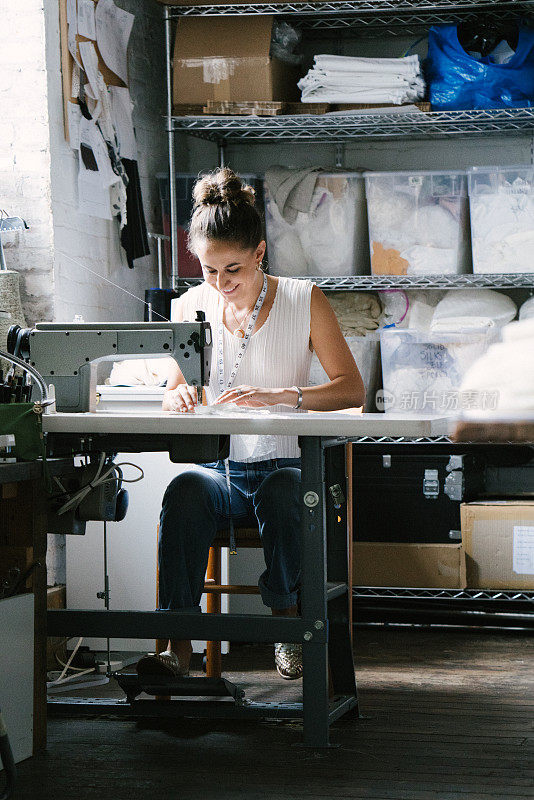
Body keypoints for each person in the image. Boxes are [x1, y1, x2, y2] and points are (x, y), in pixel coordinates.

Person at [137, 168, 365, 681]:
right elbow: (173, 381)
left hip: (289, 462)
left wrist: (286, 397)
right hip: (221, 470)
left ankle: (286, 626)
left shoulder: (304, 300)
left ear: (260, 253)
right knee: (184, 491)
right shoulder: (193, 307)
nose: (221, 284)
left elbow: (351, 389)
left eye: (233, 269)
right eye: (209, 271)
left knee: (286, 492)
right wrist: (175, 394)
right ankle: (179, 645)